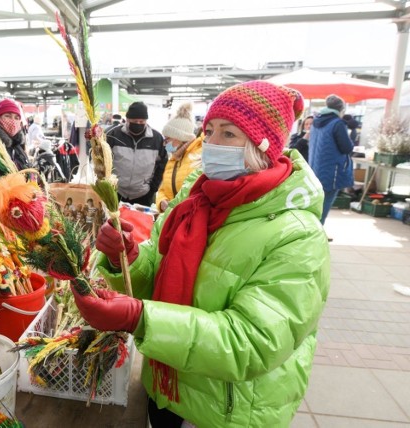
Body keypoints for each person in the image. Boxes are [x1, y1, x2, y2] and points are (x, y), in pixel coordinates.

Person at [73, 81, 330, 427]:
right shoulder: (195, 199)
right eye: (208, 131)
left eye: (228, 134)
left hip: (225, 411)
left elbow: (252, 342)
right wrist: (129, 257)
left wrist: (140, 318)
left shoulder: (297, 234)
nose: (211, 143)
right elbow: (160, 269)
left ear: (263, 145)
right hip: (166, 389)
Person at [106, 101, 167, 206]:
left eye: (141, 121)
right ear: (127, 120)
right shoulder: (113, 135)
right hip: (116, 192)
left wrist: (153, 187)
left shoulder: (156, 139)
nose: (138, 124)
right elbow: (103, 161)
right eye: (135, 121)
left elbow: (162, 164)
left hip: (144, 194)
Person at [308, 94, 354, 225]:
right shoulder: (337, 123)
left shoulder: (316, 122)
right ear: (341, 109)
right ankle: (317, 234)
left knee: (315, 205)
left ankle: (312, 231)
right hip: (331, 172)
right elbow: (346, 147)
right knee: (325, 205)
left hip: (314, 169)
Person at [156, 103, 204, 212]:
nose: (165, 143)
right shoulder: (173, 160)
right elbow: (163, 189)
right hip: (171, 217)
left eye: (167, 139)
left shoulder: (198, 158)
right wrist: (161, 202)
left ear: (180, 137)